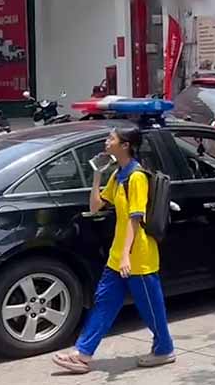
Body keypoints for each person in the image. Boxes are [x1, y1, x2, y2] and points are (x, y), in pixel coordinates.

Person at [52, 127, 175, 374]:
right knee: (104, 303)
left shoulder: (136, 177)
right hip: (118, 255)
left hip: (138, 256)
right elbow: (96, 206)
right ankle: (82, 354)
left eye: (112, 138)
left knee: (151, 308)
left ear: (125, 145)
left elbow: (135, 219)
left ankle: (164, 349)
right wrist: (97, 175)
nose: (107, 142)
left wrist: (127, 256)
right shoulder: (118, 175)